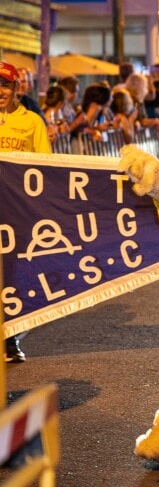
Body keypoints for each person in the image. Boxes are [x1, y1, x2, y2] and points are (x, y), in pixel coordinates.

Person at [0, 61, 50, 363]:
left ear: (17, 88)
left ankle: (10, 339)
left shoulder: (32, 121)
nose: (0, 91)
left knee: (13, 274)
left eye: (5, 85)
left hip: (17, 210)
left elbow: (46, 165)